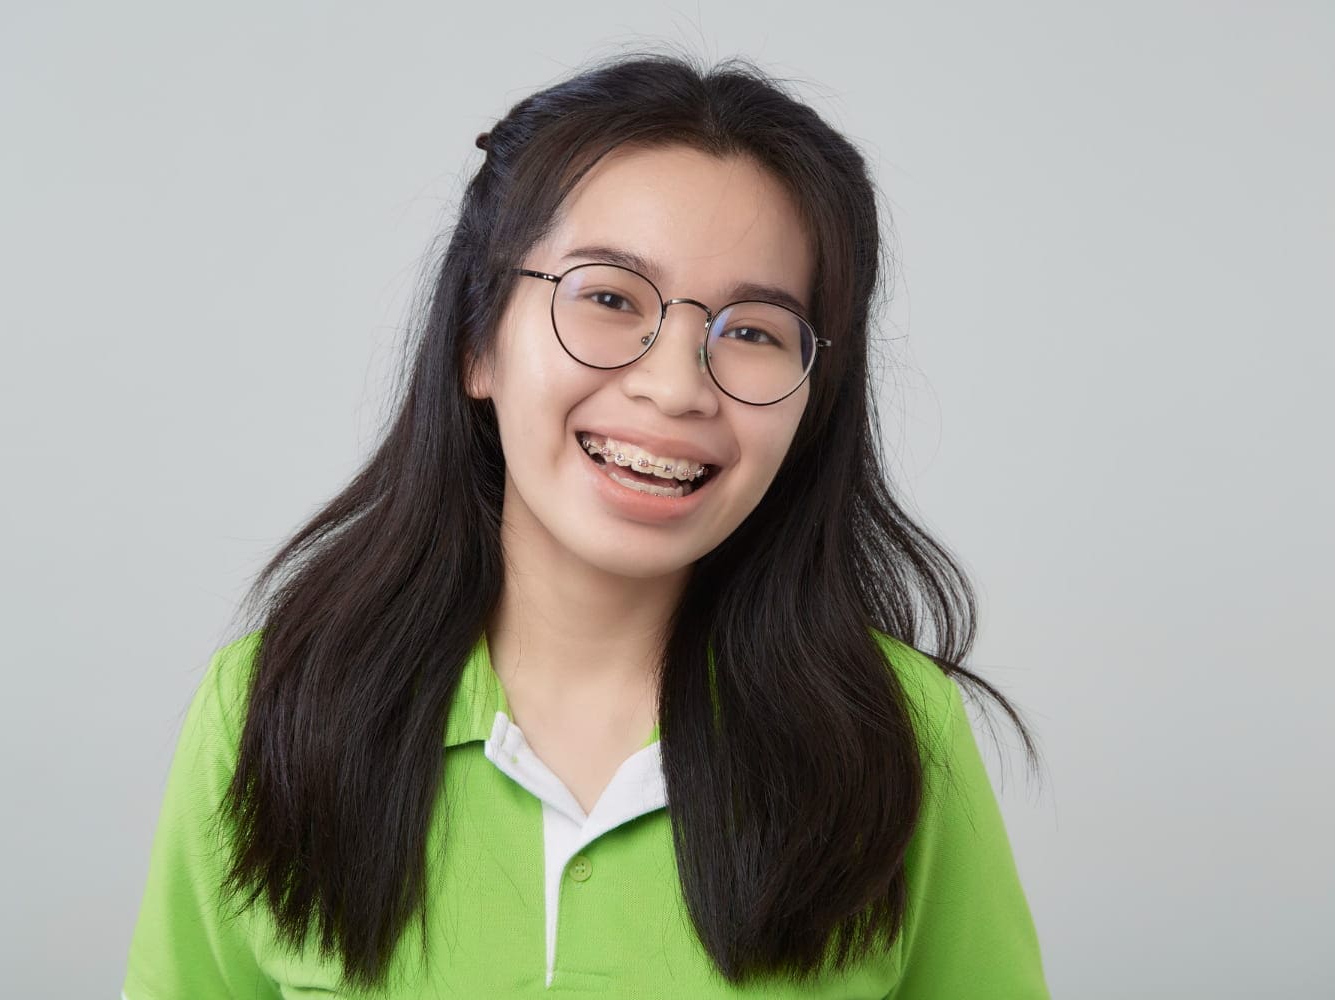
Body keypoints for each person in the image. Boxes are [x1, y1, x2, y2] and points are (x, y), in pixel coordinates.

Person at [123, 53, 1050, 998]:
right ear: (474, 343)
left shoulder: (891, 729)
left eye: (754, 330)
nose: (677, 387)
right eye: (610, 299)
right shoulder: (271, 706)